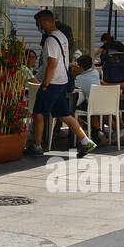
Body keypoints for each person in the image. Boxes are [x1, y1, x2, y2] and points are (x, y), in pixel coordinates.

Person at [26, 9, 97, 158]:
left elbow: (52, 64)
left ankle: (37, 145)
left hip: (52, 82)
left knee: (38, 113)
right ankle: (86, 141)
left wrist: (45, 84)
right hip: (63, 82)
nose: (38, 26)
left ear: (45, 22)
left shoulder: (51, 40)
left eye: (38, 23)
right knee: (64, 115)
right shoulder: (63, 37)